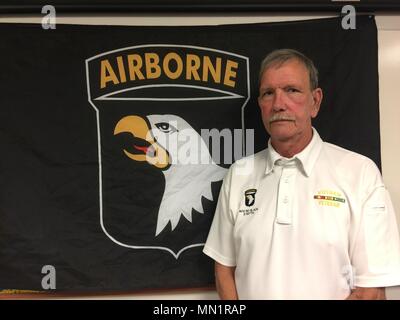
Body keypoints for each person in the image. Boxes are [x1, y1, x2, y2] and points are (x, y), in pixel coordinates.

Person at [203, 49, 400, 300]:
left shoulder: (360, 173)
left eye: (292, 90)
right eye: (268, 93)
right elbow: (224, 268)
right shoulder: (238, 175)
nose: (278, 104)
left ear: (315, 102)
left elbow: (370, 290)